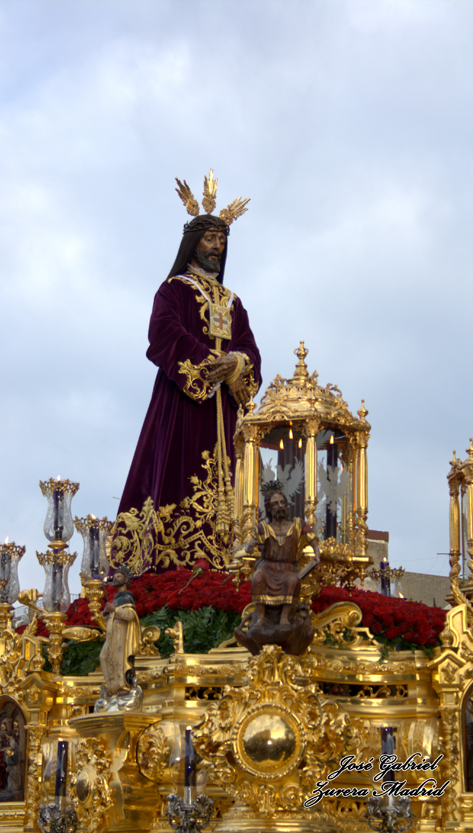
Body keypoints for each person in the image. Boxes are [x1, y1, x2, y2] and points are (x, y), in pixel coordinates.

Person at [111, 172, 261, 576]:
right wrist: (207, 363)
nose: (217, 246)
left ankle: (231, 563)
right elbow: (163, 334)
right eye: (210, 238)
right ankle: (171, 564)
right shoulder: (173, 290)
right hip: (183, 405)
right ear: (194, 243)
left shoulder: (234, 302)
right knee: (178, 477)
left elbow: (250, 349)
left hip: (226, 413)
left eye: (222, 240)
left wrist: (236, 364)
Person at [233, 482, 321, 656]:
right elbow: (251, 544)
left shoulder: (297, 525)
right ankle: (261, 617)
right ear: (269, 508)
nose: (279, 506)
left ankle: (284, 617)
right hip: (268, 567)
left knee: (293, 580)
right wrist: (250, 547)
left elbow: (314, 540)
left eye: (282, 502)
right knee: (258, 577)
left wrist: (317, 555)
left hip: (287, 567)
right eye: (275, 503)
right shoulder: (263, 528)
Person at [99, 567, 141, 696]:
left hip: (121, 635)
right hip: (112, 636)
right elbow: (110, 617)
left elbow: (130, 615)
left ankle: (122, 685)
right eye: (114, 577)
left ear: (125, 579)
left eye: (118, 577)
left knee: (119, 660)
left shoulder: (127, 597)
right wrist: (106, 613)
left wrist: (115, 610)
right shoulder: (116, 599)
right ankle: (111, 686)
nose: (115, 579)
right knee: (104, 657)